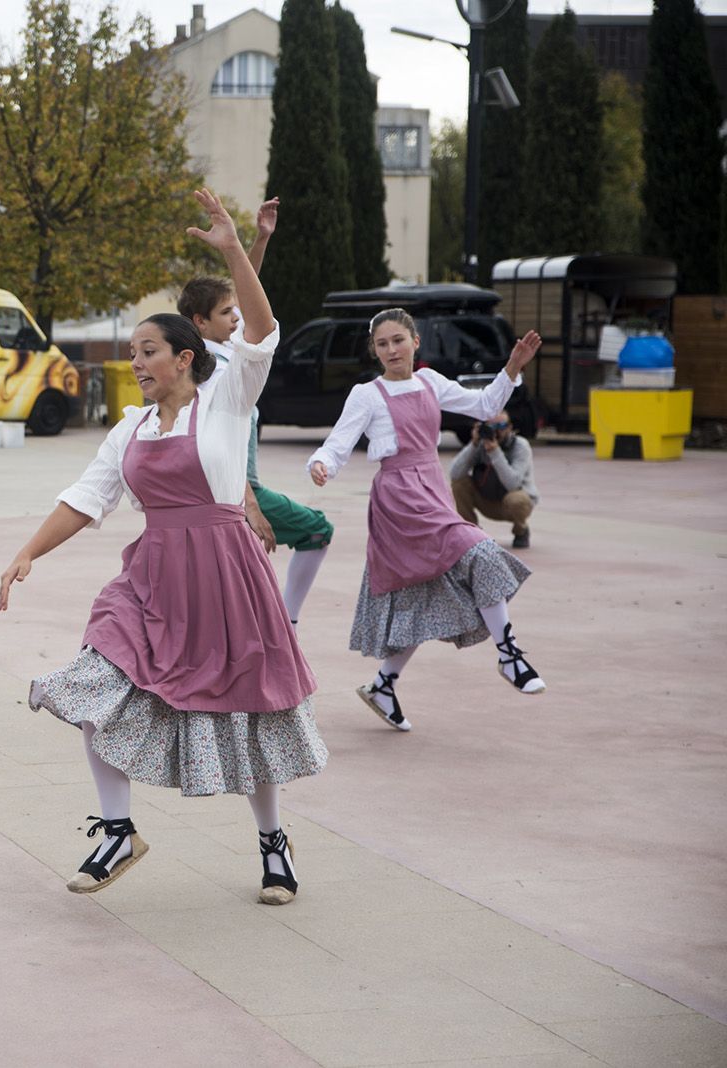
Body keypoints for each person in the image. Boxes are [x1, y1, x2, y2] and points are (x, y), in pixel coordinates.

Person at [0, 189, 324, 906]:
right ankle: (118, 830)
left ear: (184, 357)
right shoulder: (130, 429)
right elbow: (86, 498)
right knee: (87, 685)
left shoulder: (231, 398)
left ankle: (273, 844)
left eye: (146, 353)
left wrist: (237, 248)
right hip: (152, 581)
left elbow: (262, 328)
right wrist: (28, 552)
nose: (136, 363)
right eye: (133, 353)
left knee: (252, 710)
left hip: (226, 574)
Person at [309, 311, 547, 733]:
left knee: (425, 596)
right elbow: (337, 443)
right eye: (382, 344)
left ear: (415, 341)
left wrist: (512, 367)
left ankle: (383, 685)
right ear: (375, 350)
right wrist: (322, 464)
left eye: (398, 340)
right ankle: (509, 655)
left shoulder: (430, 382)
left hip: (432, 489)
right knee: (481, 551)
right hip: (399, 501)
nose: (391, 350)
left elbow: (485, 406)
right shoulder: (367, 394)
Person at [179, 213, 334, 624]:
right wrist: (248, 500)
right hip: (237, 489)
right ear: (200, 323)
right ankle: (287, 622)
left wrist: (259, 241)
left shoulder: (233, 344)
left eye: (236, 311)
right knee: (317, 530)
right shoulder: (210, 368)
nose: (237, 317)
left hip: (233, 488)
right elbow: (218, 440)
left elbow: (247, 292)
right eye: (227, 312)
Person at [449, 412, 537, 549]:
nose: (496, 431)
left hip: (510, 505)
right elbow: (455, 474)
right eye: (491, 426)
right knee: (459, 484)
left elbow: (513, 484)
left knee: (517, 499)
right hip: (485, 500)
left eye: (501, 426)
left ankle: (521, 530)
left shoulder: (520, 446)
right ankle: (473, 534)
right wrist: (473, 444)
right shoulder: (480, 444)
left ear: (509, 428)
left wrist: (495, 452)